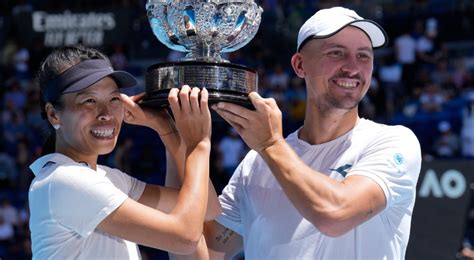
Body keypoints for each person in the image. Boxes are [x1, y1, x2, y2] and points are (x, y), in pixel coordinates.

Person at [206, 6, 422, 259]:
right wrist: (183, 143)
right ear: (299, 64)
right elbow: (197, 251)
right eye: (336, 53)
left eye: (363, 56)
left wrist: (270, 144)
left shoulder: (393, 141)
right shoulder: (256, 162)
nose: (352, 67)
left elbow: (335, 215)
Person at [28, 45, 220, 259]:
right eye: (89, 101)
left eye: (114, 99)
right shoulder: (64, 179)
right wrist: (199, 144)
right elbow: (185, 237)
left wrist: (165, 128)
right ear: (54, 114)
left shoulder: (108, 178)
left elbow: (206, 209)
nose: (106, 114)